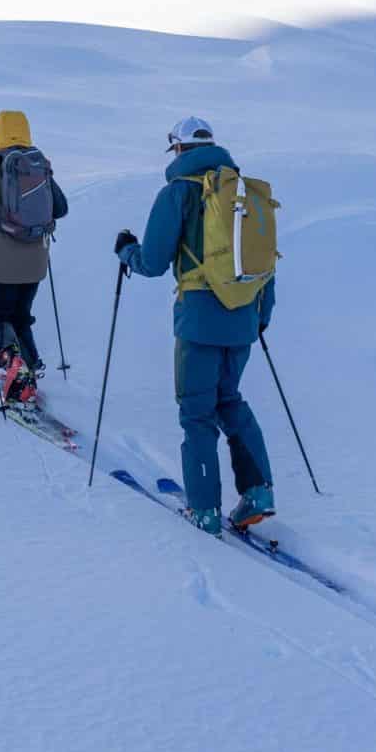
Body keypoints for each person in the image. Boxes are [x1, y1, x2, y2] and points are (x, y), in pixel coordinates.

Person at [115, 116, 276, 537]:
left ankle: (204, 510)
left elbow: (151, 261)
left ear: (179, 150)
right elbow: (266, 264)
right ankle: (258, 491)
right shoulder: (244, 192)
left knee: (196, 413)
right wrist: (260, 318)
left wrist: (126, 252)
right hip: (243, 317)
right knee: (230, 400)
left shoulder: (178, 193)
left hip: (200, 320)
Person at [0, 110, 68, 399]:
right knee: (20, 316)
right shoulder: (37, 165)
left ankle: (14, 366)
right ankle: (29, 368)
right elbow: (61, 208)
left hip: (0, 261)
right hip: (36, 260)